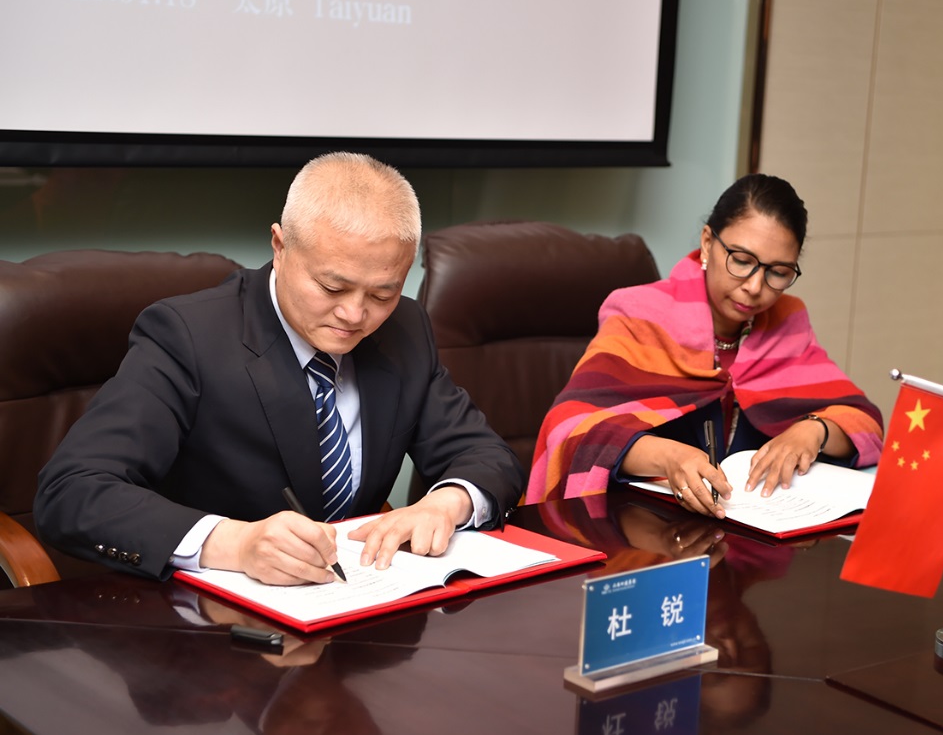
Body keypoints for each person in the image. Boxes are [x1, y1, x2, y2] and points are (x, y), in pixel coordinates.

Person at [35, 152, 523, 584]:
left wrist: (448, 501)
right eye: (332, 287)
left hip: (358, 604)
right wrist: (236, 543)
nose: (354, 315)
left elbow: (485, 454)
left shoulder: (404, 329)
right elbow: (72, 492)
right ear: (280, 246)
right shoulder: (189, 336)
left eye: (382, 293)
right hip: (208, 622)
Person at [527, 174, 882, 515]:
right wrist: (667, 457)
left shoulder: (786, 322)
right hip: (643, 526)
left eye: (778, 272)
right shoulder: (640, 313)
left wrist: (815, 430)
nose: (755, 287)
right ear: (708, 242)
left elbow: (864, 422)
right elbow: (568, 429)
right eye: (741, 261)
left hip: (754, 526)